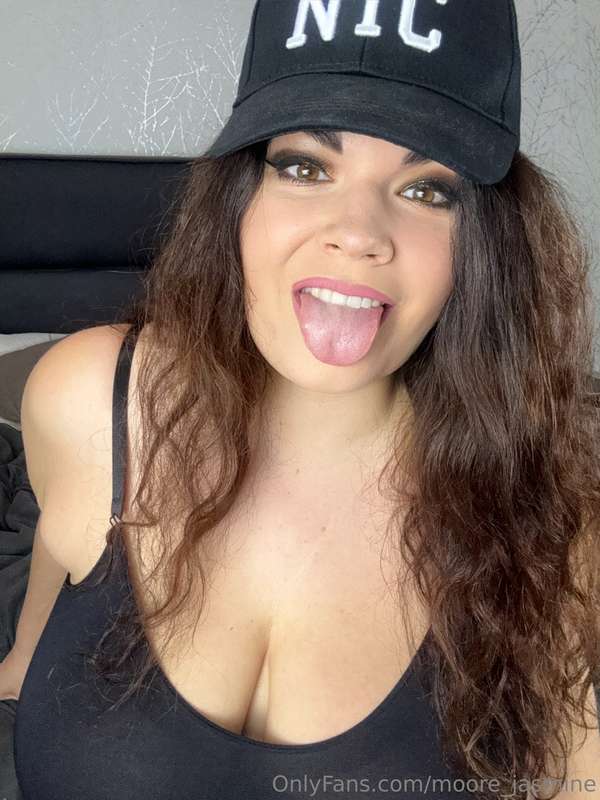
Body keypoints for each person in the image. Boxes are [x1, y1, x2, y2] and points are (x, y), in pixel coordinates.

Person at [3, 1, 600, 798]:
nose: (358, 232)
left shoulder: (553, 519)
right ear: (239, 198)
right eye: (306, 167)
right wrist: (21, 663)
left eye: (427, 189)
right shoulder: (86, 400)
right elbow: (52, 568)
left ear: (485, 248)